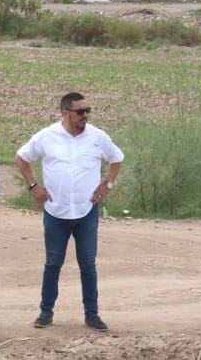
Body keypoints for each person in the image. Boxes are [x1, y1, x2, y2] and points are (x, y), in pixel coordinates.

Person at [15, 91, 124, 333]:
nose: (85, 115)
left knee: (88, 264)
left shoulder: (98, 137)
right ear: (65, 113)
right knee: (53, 263)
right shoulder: (47, 136)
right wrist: (33, 186)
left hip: (86, 211)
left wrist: (107, 185)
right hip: (56, 211)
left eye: (87, 111)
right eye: (80, 111)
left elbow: (117, 159)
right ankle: (45, 312)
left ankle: (92, 314)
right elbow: (21, 158)